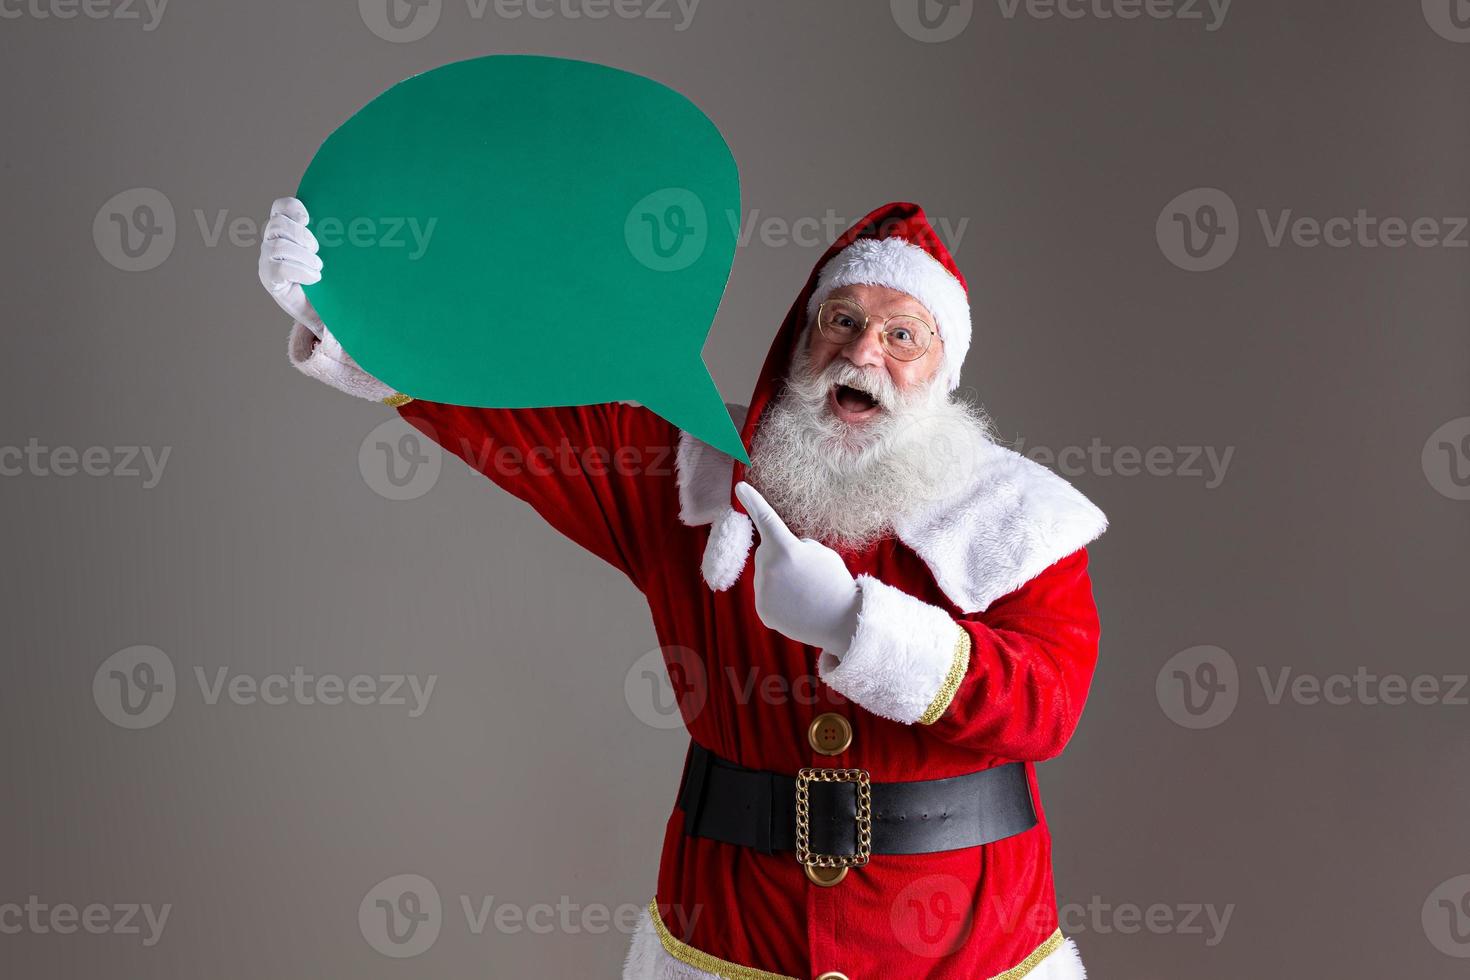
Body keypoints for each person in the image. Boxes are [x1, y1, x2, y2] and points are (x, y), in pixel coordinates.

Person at [260, 196, 1107, 979]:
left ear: (943, 369)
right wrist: (356, 312)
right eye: (840, 321)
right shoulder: (689, 483)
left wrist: (859, 626)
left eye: (901, 336)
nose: (861, 351)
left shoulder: (1017, 518)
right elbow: (518, 412)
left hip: (968, 949)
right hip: (733, 939)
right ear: (798, 344)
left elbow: (1050, 703)